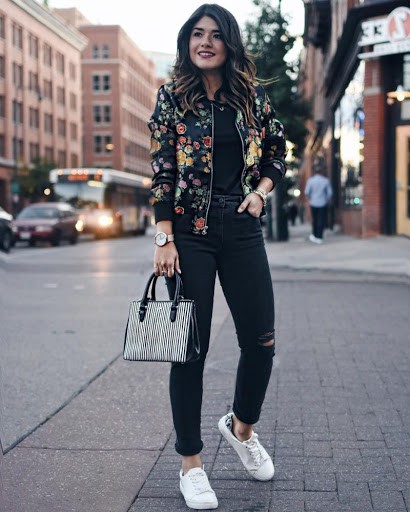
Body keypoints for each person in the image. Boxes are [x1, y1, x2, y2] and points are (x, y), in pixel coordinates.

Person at [148, 4, 287, 509]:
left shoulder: (251, 98)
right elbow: (162, 165)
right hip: (190, 232)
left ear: (229, 43)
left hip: (242, 226)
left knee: (262, 340)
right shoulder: (172, 98)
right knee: (191, 348)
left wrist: (262, 191)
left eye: (215, 35)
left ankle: (241, 428)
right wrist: (165, 237)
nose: (204, 42)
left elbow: (277, 149)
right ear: (188, 41)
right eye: (196, 34)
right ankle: (191, 463)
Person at [304, 158, 333, 244]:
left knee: (315, 219)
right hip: (323, 203)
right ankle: (319, 237)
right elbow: (330, 193)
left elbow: (306, 192)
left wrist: (310, 199)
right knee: (321, 220)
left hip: (313, 203)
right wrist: (326, 199)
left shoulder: (311, 181)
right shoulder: (325, 181)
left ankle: (315, 235)